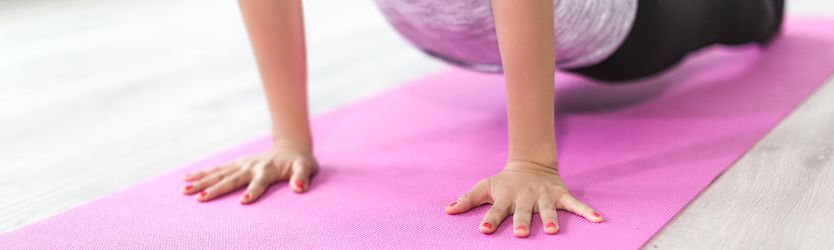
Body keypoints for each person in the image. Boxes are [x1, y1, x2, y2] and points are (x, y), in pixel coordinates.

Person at [180, 0, 784, 238]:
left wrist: (530, 161)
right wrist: (289, 136)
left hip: (609, 29)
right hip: (455, 33)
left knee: (741, 13)